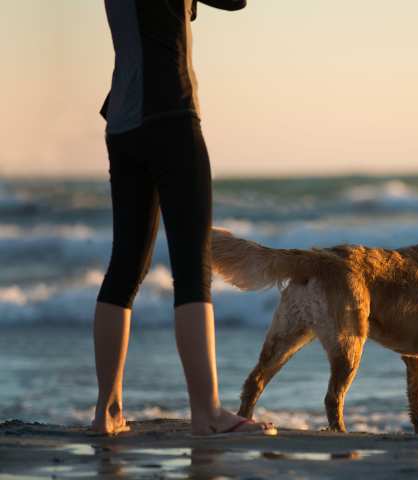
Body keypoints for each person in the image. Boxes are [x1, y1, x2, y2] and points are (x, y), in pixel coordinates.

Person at [91, 0, 275, 436]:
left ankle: (107, 412)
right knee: (192, 271)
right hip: (171, 115)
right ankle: (207, 413)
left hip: (122, 122)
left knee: (125, 268)